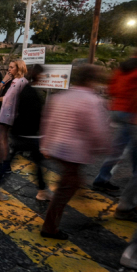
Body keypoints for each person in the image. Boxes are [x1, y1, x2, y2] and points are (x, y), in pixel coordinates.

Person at [40, 65, 111, 240]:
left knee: (73, 181)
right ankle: (49, 228)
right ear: (92, 81)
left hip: (56, 147)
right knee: (66, 186)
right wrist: (103, 147)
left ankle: (82, 204)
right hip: (73, 151)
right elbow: (97, 129)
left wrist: (45, 144)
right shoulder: (92, 100)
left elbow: (49, 121)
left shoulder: (60, 97)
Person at [92, 48, 137, 194]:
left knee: (118, 148)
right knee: (135, 152)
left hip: (116, 110)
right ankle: (132, 191)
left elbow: (111, 89)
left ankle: (102, 179)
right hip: (132, 113)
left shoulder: (122, 68)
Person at [4, 64, 50, 201]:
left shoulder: (25, 88)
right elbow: (35, 114)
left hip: (20, 130)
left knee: (12, 160)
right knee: (37, 163)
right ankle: (42, 190)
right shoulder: (30, 91)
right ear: (38, 75)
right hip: (28, 133)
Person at [0, 60, 29, 201]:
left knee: (1, 139)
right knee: (0, 140)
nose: (9, 69)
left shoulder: (22, 82)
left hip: (11, 115)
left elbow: (17, 100)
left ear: (19, 68)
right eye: (9, 67)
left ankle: (3, 166)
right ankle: (1, 165)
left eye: (12, 67)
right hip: (4, 113)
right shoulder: (11, 81)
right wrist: (3, 82)